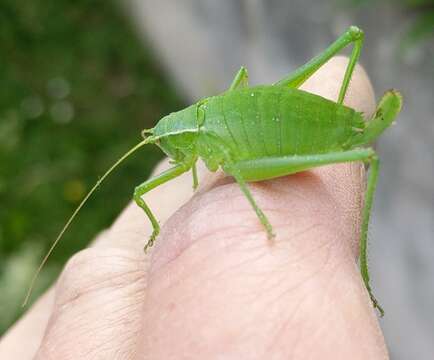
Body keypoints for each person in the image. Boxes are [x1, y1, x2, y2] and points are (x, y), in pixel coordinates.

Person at [0, 57, 389, 359]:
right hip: (248, 116)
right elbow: (142, 191)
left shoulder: (203, 142)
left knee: (244, 165)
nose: (171, 154)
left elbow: (232, 170)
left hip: (265, 131)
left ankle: (366, 277)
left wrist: (264, 224)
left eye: (168, 145)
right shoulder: (191, 127)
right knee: (155, 184)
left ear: (182, 135)